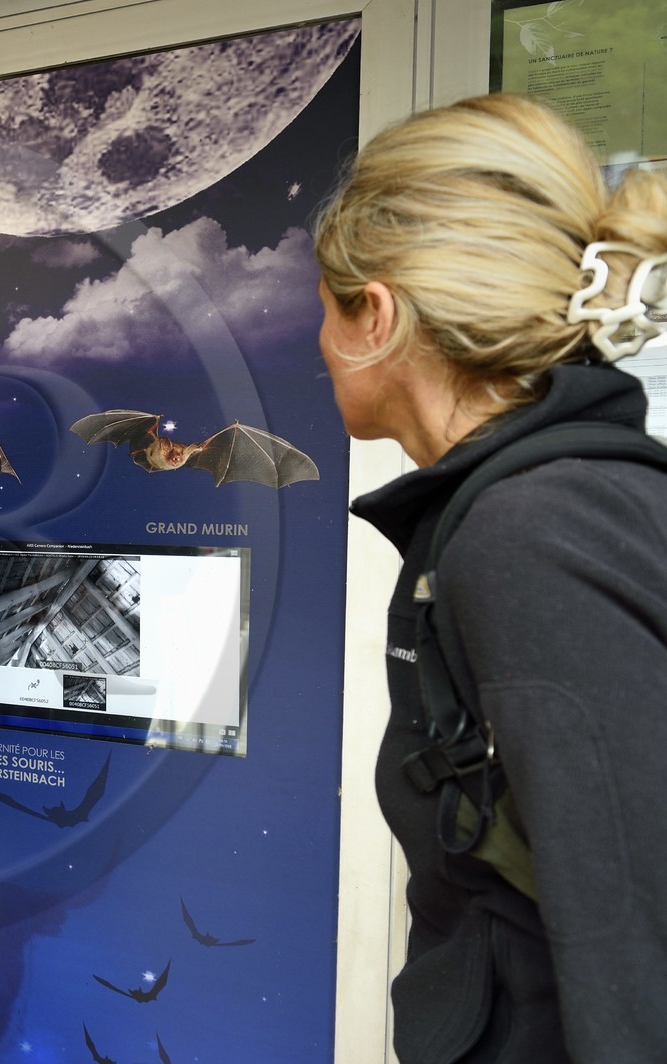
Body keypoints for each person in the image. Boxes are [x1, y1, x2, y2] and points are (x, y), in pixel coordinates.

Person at [314, 92, 667, 1062]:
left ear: (373, 316)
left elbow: (631, 951)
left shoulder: (532, 530)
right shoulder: (531, 506)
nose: (318, 345)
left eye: (323, 309)